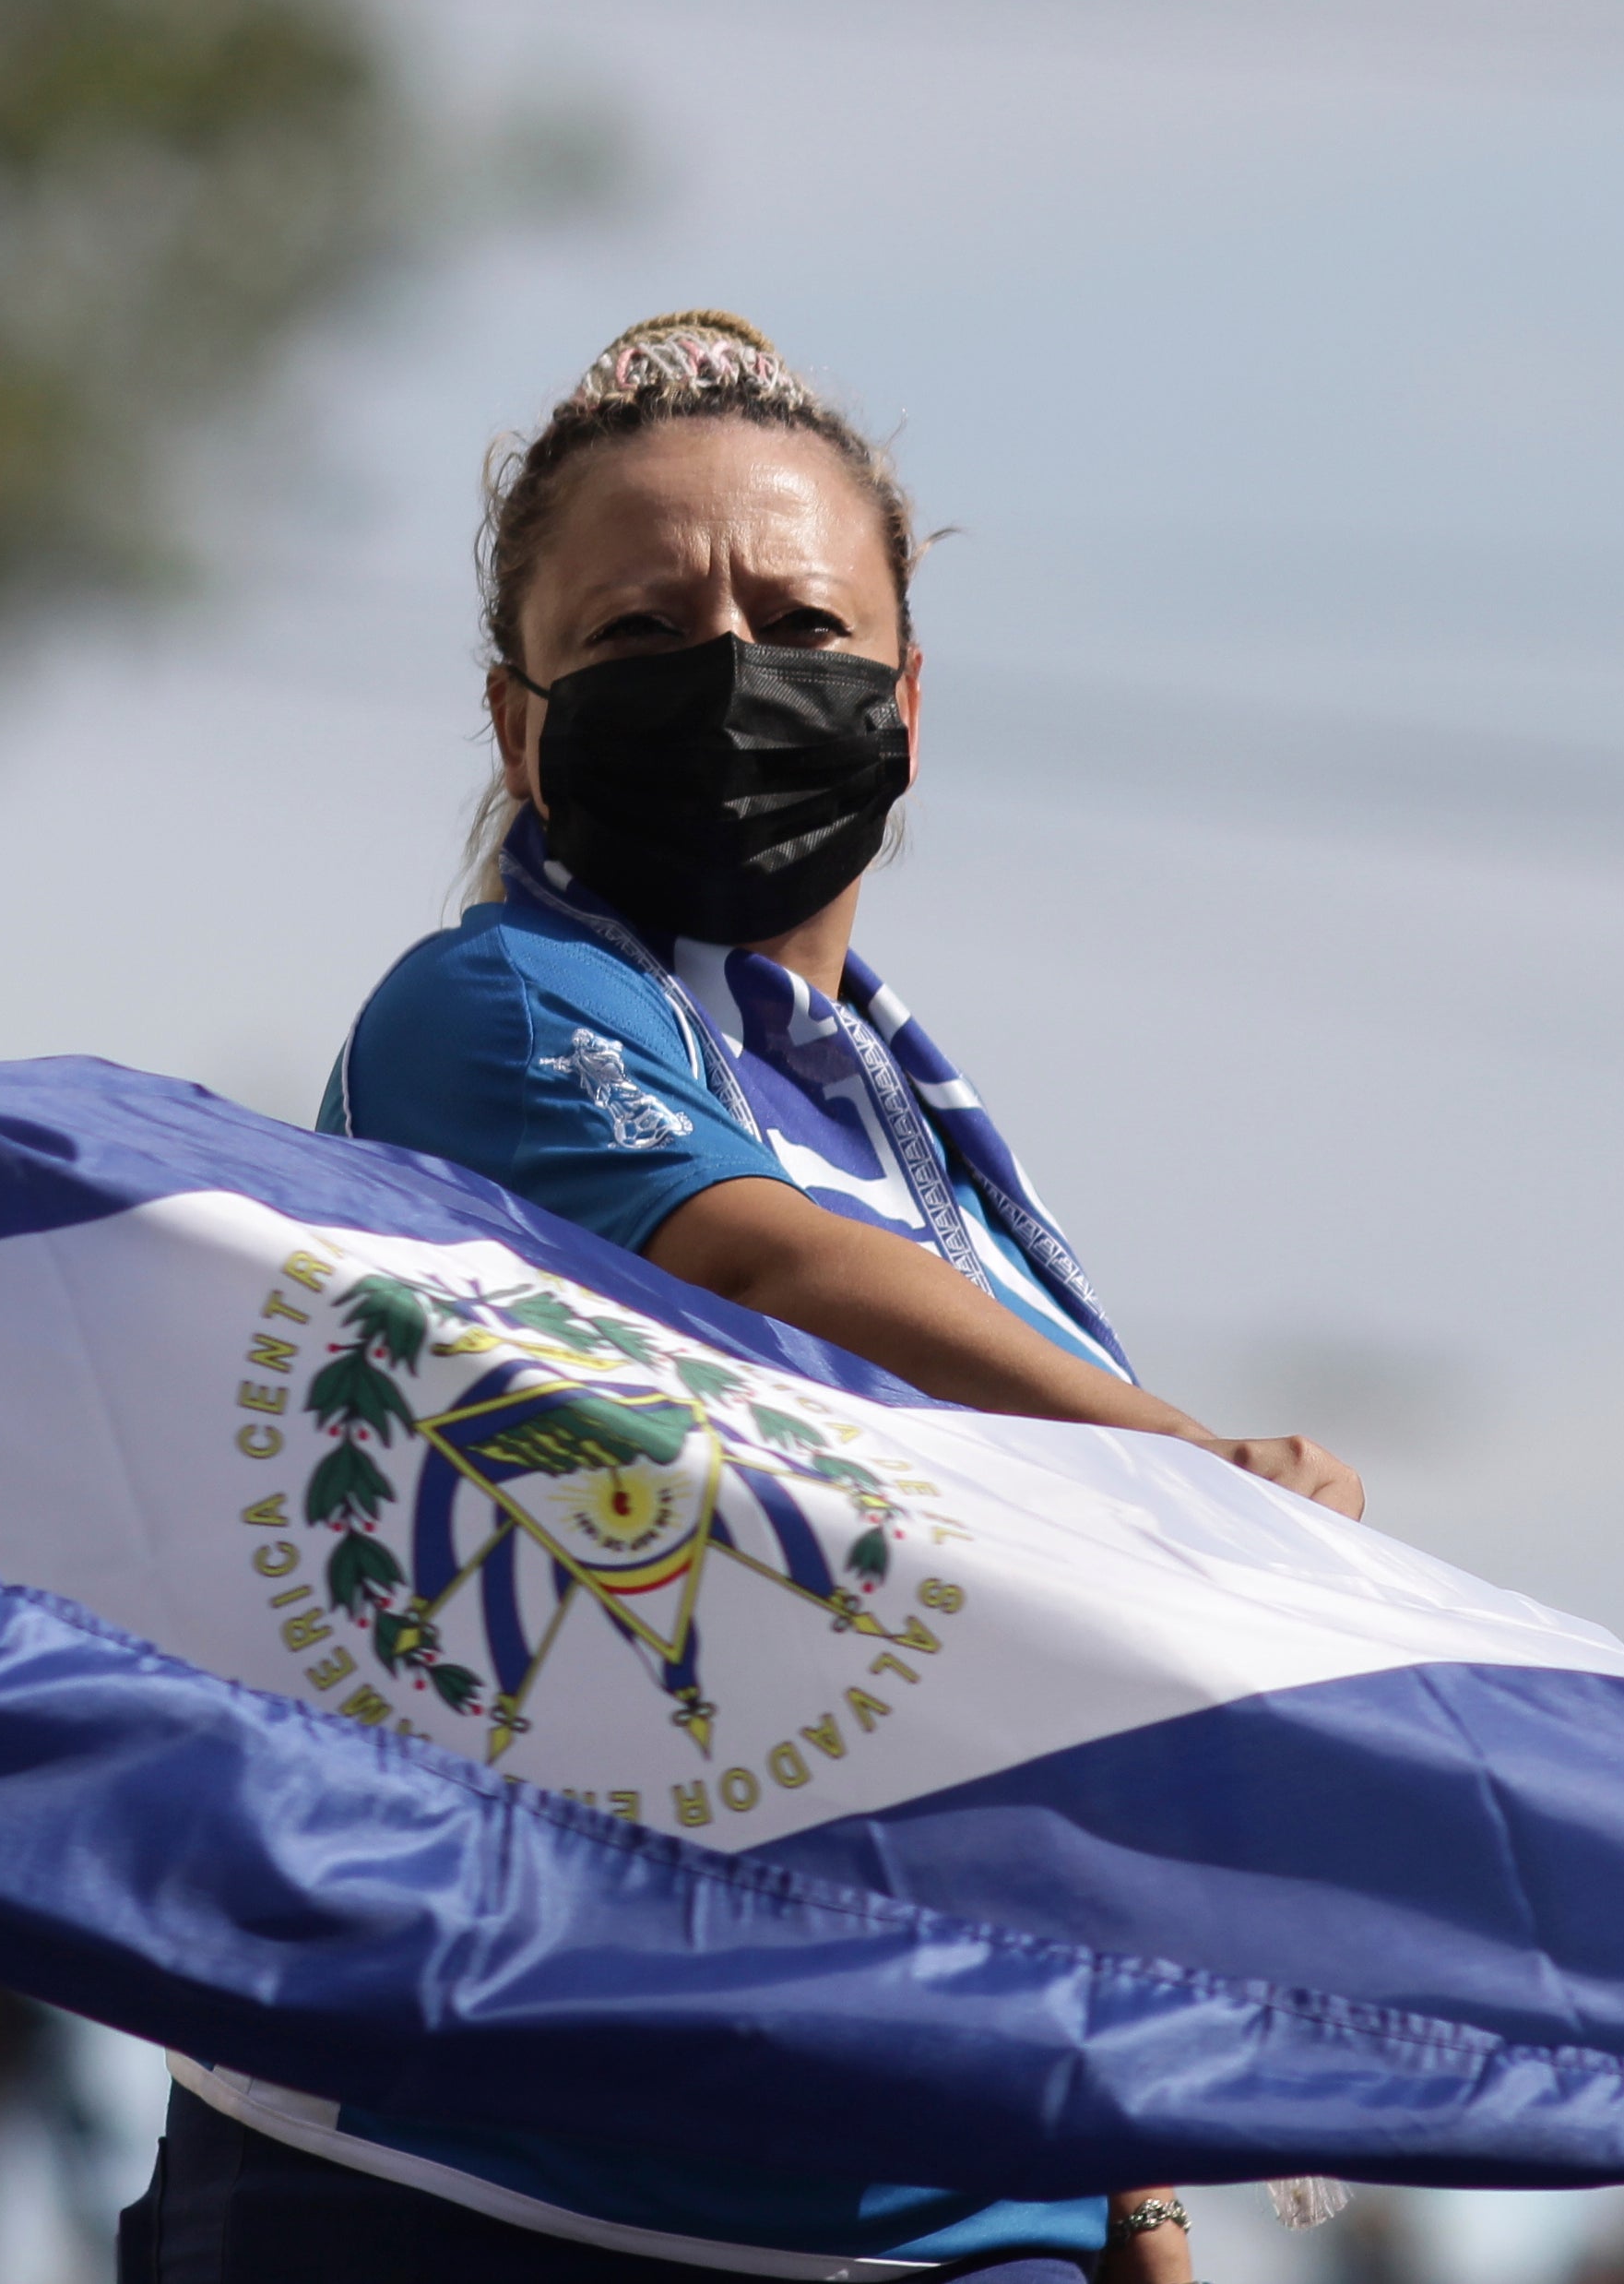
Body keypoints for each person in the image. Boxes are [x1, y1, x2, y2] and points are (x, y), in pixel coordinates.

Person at [122, 312, 1364, 2282]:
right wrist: (1190, 1467)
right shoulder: (494, 1010)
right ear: (521, 724)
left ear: (907, 700)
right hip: (481, 2191)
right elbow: (766, 1268)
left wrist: (1138, 2186)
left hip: (956, 2220)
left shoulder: (946, 1166)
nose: (727, 674)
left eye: (796, 621)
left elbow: (1053, 1688)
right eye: (636, 635)